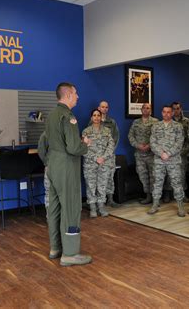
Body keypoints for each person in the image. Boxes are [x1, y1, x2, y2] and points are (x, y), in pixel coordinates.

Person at [46, 82, 92, 267]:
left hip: (53, 166)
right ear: (67, 95)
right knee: (71, 208)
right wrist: (85, 145)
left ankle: (55, 248)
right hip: (66, 167)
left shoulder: (51, 115)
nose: (78, 96)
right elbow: (73, 148)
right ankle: (70, 253)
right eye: (75, 93)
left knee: (55, 208)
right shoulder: (68, 116)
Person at [148, 105, 185, 216]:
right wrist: (161, 153)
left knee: (177, 183)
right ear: (162, 113)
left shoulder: (178, 126)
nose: (166, 114)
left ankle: (180, 206)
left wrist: (168, 153)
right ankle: (155, 205)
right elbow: (152, 142)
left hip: (173, 160)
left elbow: (179, 143)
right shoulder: (156, 126)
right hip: (159, 160)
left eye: (169, 112)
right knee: (157, 183)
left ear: (172, 113)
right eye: (164, 112)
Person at [82, 109, 115, 218]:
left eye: (98, 115)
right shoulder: (86, 132)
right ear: (91, 118)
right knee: (91, 186)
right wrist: (96, 158)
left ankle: (101, 207)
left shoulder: (107, 131)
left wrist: (103, 157)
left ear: (101, 118)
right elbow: (83, 149)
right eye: (94, 115)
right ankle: (92, 208)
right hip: (90, 163)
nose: (96, 117)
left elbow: (111, 146)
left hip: (104, 163)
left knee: (102, 185)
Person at [89, 100, 120, 207]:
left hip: (109, 155)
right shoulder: (93, 120)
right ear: (99, 107)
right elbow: (88, 139)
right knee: (95, 178)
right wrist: (97, 155)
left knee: (110, 177)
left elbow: (116, 138)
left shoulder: (112, 122)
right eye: (102, 107)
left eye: (106, 107)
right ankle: (96, 201)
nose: (104, 109)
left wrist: (109, 153)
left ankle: (110, 199)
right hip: (96, 157)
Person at [128, 103, 159, 204]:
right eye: (144, 108)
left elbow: (158, 137)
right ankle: (148, 196)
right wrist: (138, 145)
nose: (146, 110)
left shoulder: (156, 122)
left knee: (154, 176)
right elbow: (130, 136)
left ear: (150, 110)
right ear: (141, 110)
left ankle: (156, 198)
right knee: (143, 176)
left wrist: (149, 145)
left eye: (148, 108)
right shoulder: (136, 122)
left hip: (151, 154)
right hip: (139, 154)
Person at [172, 101, 189, 202]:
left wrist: (183, 152)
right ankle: (168, 194)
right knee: (168, 175)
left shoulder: (186, 122)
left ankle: (183, 195)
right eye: (174, 108)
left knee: (181, 175)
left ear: (181, 109)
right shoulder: (167, 121)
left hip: (181, 153)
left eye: (178, 108)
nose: (176, 111)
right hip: (169, 154)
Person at [37, 131, 50, 219]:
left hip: (63, 169)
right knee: (49, 192)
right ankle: (50, 217)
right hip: (51, 168)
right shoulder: (46, 134)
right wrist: (47, 163)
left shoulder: (65, 133)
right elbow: (41, 151)